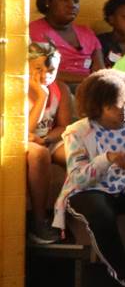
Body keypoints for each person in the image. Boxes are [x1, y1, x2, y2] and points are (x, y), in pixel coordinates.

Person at [54, 70, 125, 287]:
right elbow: (78, 177)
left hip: (123, 190)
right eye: (116, 105)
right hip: (87, 191)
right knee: (100, 212)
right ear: (99, 105)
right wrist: (106, 159)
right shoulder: (78, 131)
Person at [25, 40, 74, 244]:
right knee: (39, 154)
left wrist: (46, 139)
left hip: (47, 138)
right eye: (38, 69)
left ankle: (70, 214)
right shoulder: (17, 87)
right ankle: (38, 221)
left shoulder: (60, 88)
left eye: (51, 70)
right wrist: (41, 98)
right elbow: (24, 130)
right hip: (23, 139)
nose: (45, 75)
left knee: (76, 151)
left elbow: (63, 126)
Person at [30, 0, 103, 91]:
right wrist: (88, 78)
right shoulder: (34, 31)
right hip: (54, 88)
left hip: (89, 88)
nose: (72, 5)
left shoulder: (87, 33)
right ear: (47, 2)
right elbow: (43, 73)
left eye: (76, 1)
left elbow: (100, 71)